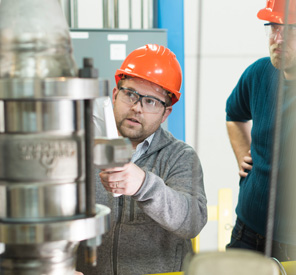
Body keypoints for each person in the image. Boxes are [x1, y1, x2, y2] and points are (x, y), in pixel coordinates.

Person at [76, 44, 208, 274]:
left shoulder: (180, 156)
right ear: (115, 95)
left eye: (151, 101)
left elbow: (193, 221)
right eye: (131, 94)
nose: (137, 108)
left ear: (166, 113)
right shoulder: (83, 150)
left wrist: (144, 185)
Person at [225, 0, 296, 261]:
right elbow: (234, 114)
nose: (277, 39)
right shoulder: (258, 73)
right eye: (273, 28)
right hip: (247, 230)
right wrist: (242, 152)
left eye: (288, 30)